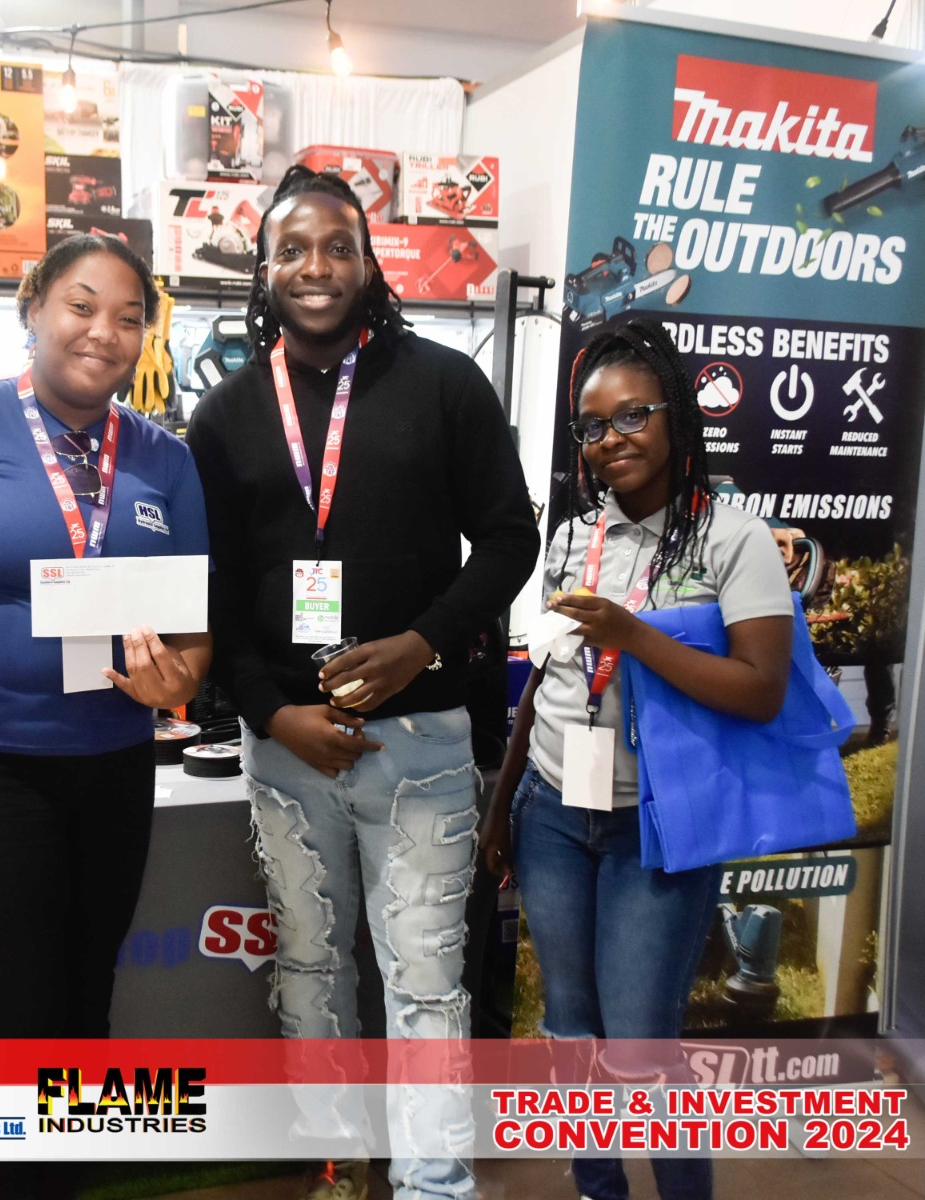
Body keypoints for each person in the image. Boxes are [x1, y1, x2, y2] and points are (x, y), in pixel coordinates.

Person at [187, 165, 540, 1200]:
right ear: (263, 270)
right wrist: (271, 712)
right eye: (292, 249)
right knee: (310, 967)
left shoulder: (445, 385)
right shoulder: (224, 415)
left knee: (427, 978)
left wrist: (421, 644)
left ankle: (435, 1185)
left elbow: (510, 539)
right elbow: (212, 589)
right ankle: (339, 1166)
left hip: (421, 743)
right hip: (286, 752)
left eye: (338, 247)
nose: (317, 268)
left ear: (370, 263)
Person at [0, 234, 210, 1200]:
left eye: (129, 318)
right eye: (81, 306)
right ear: (33, 307)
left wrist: (175, 679)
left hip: (115, 764)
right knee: (17, 1018)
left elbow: (194, 632)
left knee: (86, 1009)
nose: (104, 333)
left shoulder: (165, 459)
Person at [480, 316, 796, 1200]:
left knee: (641, 1040)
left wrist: (634, 635)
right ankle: (599, 1188)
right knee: (570, 1027)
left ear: (675, 417)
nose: (610, 439)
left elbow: (760, 689)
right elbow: (547, 680)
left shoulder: (732, 538)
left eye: (632, 416)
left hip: (657, 823)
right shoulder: (571, 539)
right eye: (592, 425)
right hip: (553, 811)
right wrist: (505, 804)